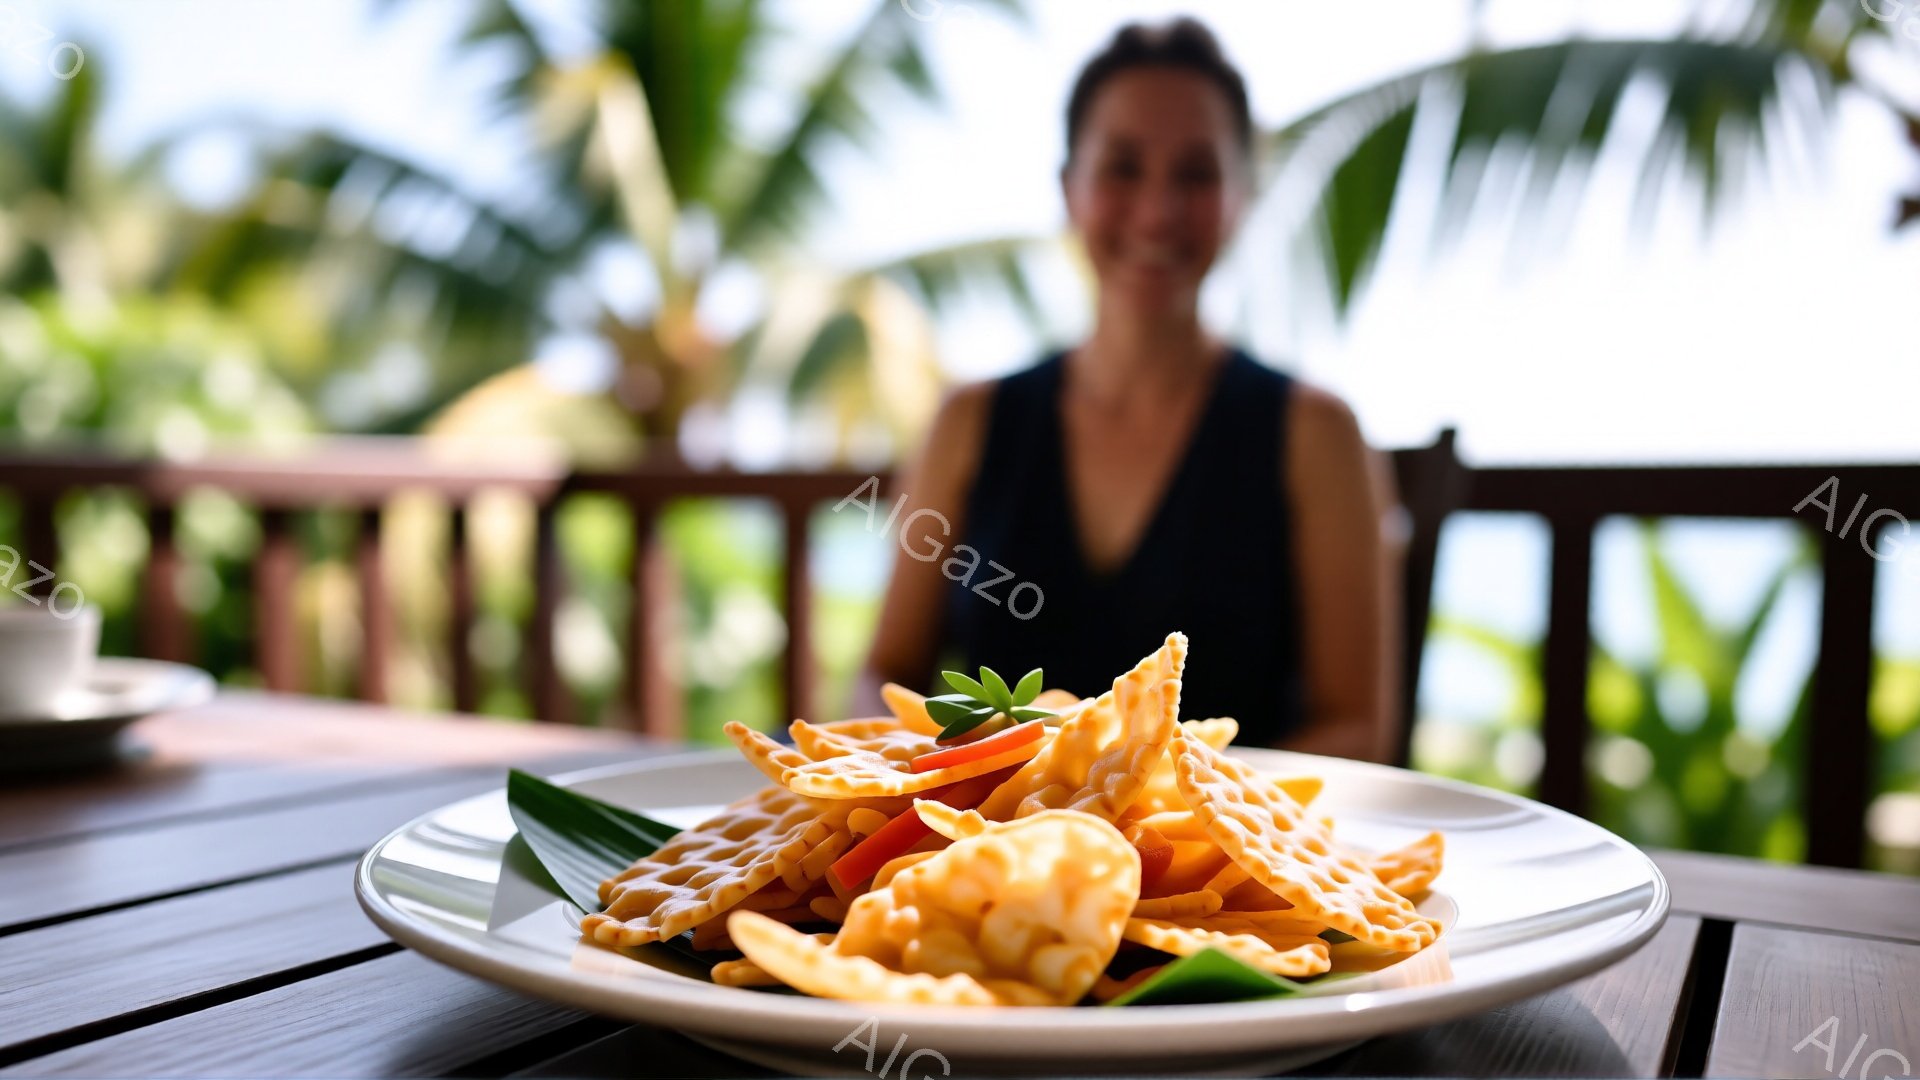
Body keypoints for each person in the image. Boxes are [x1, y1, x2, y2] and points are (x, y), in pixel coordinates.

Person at [852, 18, 1403, 761]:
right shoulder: (970, 421)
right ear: (1068, 189)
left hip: (1215, 868)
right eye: (1122, 167)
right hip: (990, 860)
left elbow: (1358, 729)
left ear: (1242, 198)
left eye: (1197, 174)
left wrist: (1147, 814)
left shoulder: (1317, 433)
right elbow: (885, 674)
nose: (1157, 210)